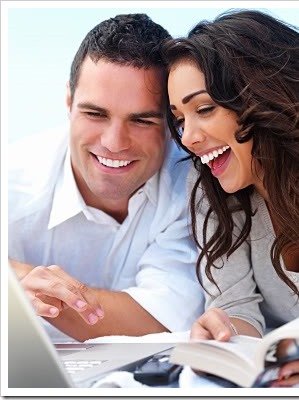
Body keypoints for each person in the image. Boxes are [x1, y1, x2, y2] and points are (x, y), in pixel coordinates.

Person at [8, 13, 204, 342]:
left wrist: (22, 285)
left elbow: (162, 318)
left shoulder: (194, 186)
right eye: (95, 114)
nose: (114, 143)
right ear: (69, 102)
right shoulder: (12, 183)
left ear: (173, 122)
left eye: (142, 120)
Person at [164, 10, 299, 387]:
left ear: (266, 97)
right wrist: (223, 333)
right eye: (180, 118)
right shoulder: (213, 191)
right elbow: (236, 307)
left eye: (204, 109)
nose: (187, 138)